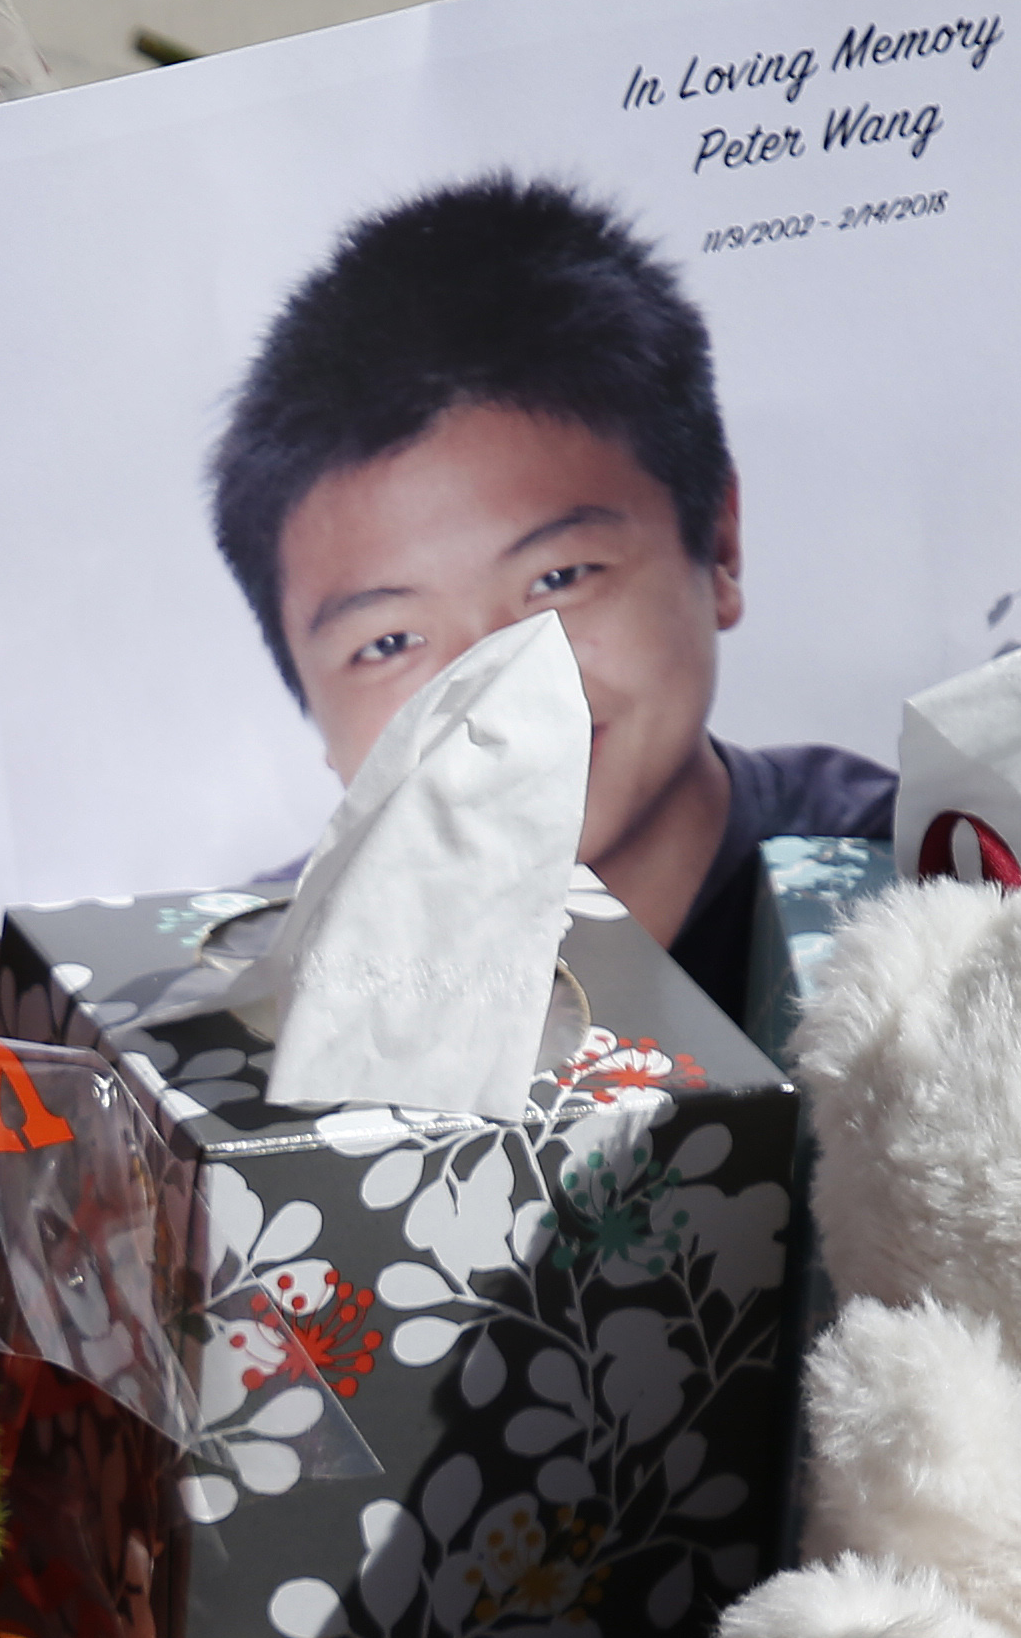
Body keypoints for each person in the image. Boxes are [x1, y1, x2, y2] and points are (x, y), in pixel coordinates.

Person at [204, 175, 892, 1026]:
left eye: (556, 581)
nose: (497, 693)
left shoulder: (929, 878)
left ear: (716, 543)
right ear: (311, 708)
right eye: (389, 643)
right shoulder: (242, 1007)